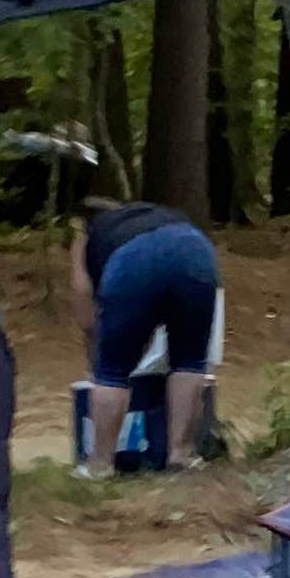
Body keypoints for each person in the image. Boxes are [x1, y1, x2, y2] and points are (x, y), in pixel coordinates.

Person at [74, 197, 223, 471]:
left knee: (112, 372)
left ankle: (100, 465)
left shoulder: (89, 232)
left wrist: (98, 355)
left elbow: (84, 300)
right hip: (195, 249)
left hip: (134, 260)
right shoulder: (155, 214)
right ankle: (182, 454)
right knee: (190, 360)